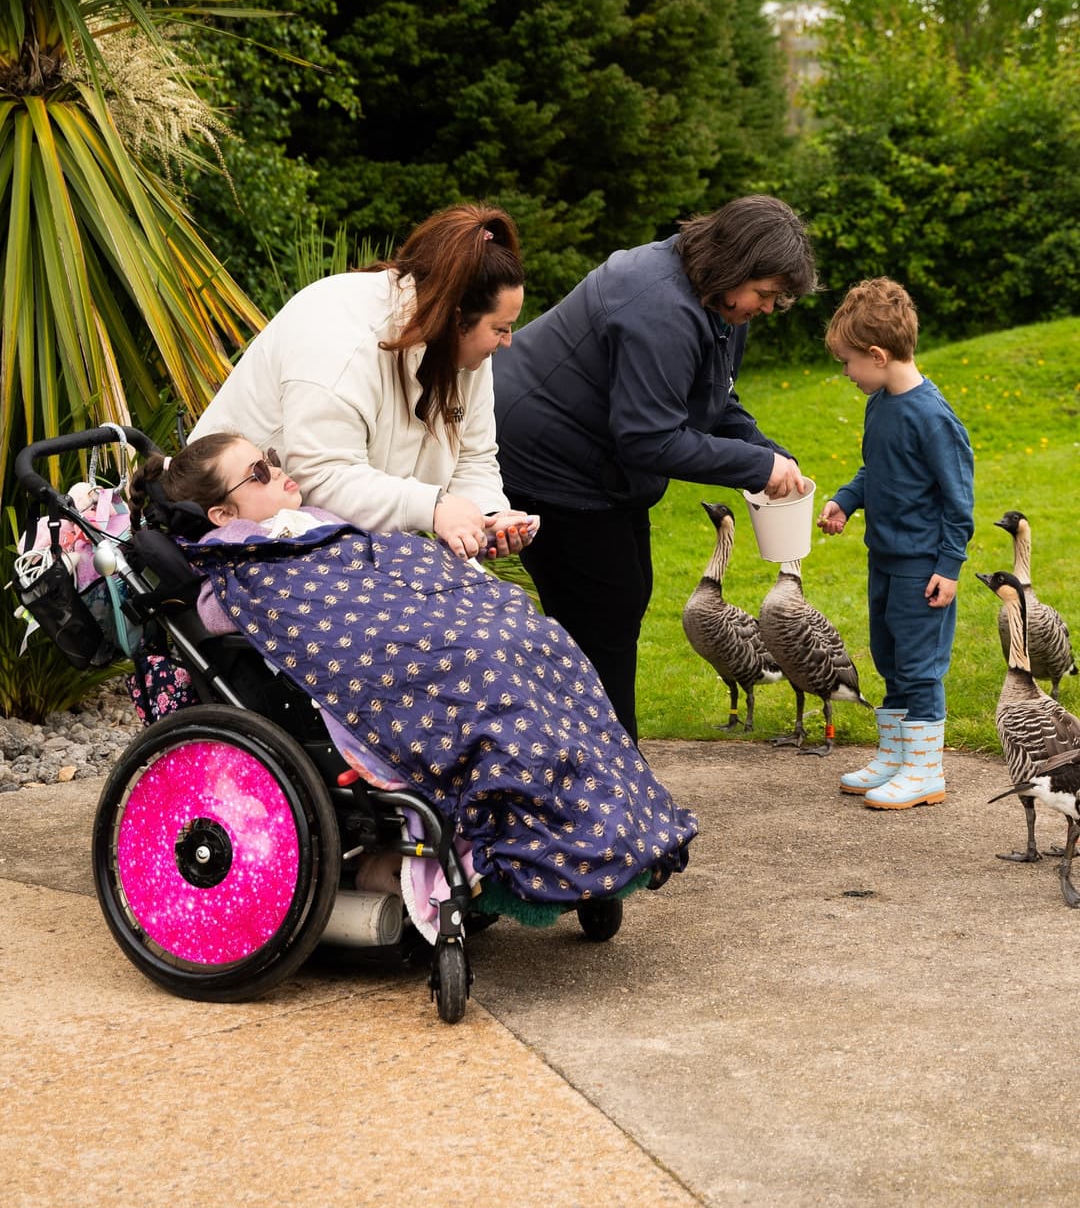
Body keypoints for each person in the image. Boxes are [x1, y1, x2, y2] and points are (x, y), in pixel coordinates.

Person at [127, 435, 698, 923]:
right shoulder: (234, 560)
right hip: (371, 663)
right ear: (223, 515)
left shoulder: (308, 523)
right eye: (258, 473)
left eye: (271, 458)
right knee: (487, 667)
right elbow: (237, 612)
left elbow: (378, 564)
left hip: (409, 612)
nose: (278, 472)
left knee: (537, 639)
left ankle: (604, 832)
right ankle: (540, 845)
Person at [492, 194, 817, 741]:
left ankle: (602, 769)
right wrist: (755, 466)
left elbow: (712, 397)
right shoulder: (659, 306)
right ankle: (611, 786)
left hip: (596, 464)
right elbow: (649, 438)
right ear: (736, 265)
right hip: (547, 462)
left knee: (622, 598)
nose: (765, 308)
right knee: (601, 620)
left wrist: (769, 452)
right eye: (764, 294)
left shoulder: (713, 296)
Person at [189, 202, 535, 563]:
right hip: (242, 542)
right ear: (456, 318)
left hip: (345, 551)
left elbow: (473, 456)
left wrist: (489, 516)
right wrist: (434, 507)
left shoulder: (467, 351)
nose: (508, 341)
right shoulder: (341, 335)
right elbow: (322, 479)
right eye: (500, 329)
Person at [817, 277, 974, 811]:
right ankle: (896, 755)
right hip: (883, 560)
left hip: (922, 568)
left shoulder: (933, 418)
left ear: (878, 355)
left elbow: (958, 502)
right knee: (889, 658)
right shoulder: (880, 403)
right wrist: (845, 500)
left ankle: (925, 771)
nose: (846, 372)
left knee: (919, 665)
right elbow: (876, 470)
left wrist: (949, 566)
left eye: (848, 362)